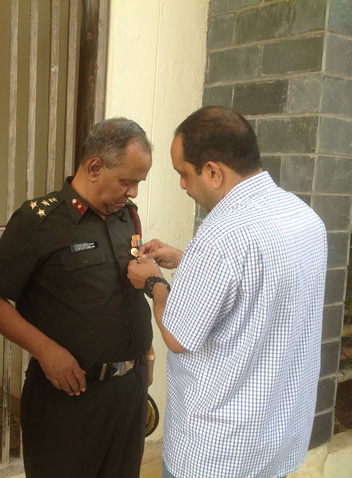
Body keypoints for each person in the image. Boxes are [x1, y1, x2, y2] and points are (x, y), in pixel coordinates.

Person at [127, 106, 327, 478]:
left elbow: (177, 336)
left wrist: (154, 283)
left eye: (184, 174)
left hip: (218, 451)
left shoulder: (221, 236)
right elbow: (256, 283)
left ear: (214, 172)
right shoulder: (302, 217)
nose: (183, 186)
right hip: (278, 437)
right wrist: (186, 260)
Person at [0, 117, 155, 478]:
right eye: (127, 181)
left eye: (138, 183)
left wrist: (145, 351)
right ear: (94, 166)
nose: (133, 192)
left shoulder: (126, 218)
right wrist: (45, 350)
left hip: (129, 393)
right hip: (70, 398)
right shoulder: (39, 220)